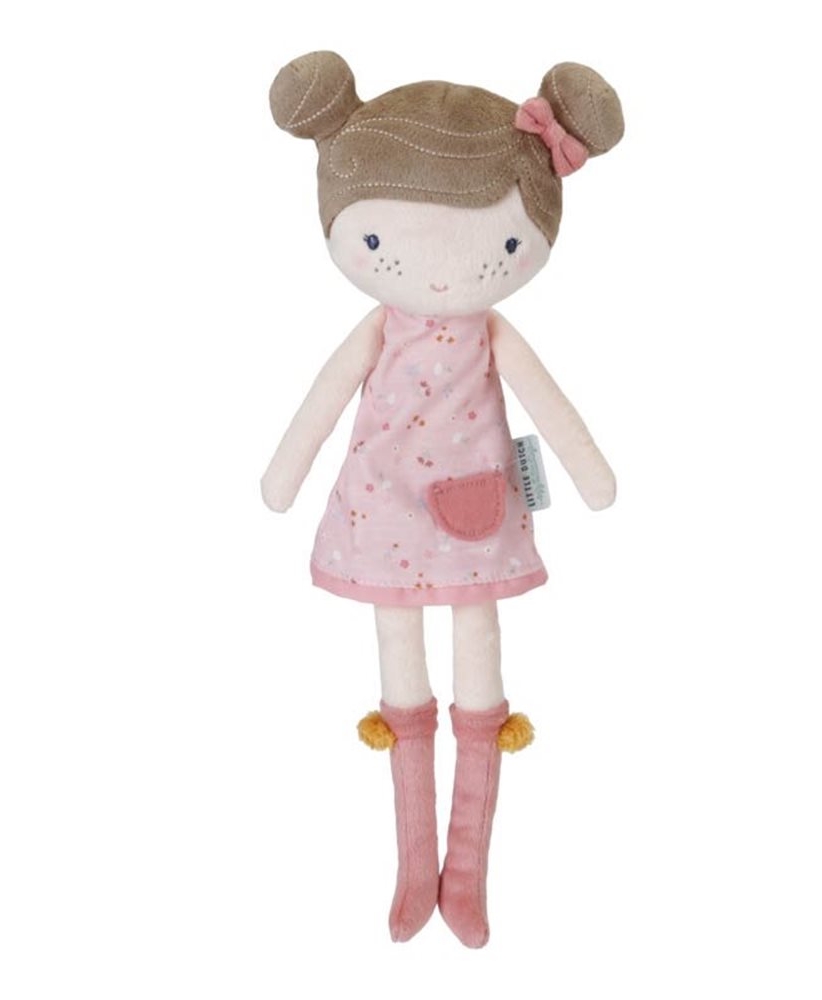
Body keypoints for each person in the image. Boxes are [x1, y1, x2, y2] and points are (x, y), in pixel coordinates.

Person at [261, 51, 624, 947]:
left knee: (478, 665)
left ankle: (465, 877)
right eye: (380, 243)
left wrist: (589, 473)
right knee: (400, 669)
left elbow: (549, 405)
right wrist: (283, 474)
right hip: (381, 509)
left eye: (500, 246)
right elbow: (322, 399)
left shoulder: (492, 332)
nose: (435, 274)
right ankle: (413, 868)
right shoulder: (380, 328)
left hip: (476, 512)